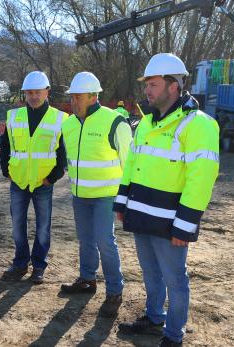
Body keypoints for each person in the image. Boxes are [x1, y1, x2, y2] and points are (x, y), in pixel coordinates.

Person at [114, 53, 219, 347]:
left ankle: (173, 335)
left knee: (175, 278)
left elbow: (202, 178)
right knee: (150, 273)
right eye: (147, 84)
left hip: (171, 221)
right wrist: (122, 203)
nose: (147, 90)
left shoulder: (198, 125)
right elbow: (132, 165)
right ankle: (153, 318)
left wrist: (185, 226)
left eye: (154, 84)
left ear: (174, 86)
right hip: (142, 213)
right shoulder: (146, 124)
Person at [59, 72, 132, 318]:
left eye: (78, 96)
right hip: (79, 196)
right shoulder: (68, 124)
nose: (73, 101)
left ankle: (115, 291)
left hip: (105, 196)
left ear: (93, 96)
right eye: (72, 96)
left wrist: (126, 197)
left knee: (104, 242)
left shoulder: (114, 122)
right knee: (85, 240)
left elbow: (128, 162)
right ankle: (87, 279)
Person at [0, 71, 67, 285]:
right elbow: (5, 146)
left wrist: (52, 178)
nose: (34, 96)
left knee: (43, 226)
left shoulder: (60, 119)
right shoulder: (14, 116)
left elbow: (62, 154)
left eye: (38, 92)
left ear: (47, 92)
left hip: (42, 182)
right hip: (18, 180)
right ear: (25, 94)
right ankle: (20, 262)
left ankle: (39, 265)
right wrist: (6, 170)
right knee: (18, 225)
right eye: (30, 93)